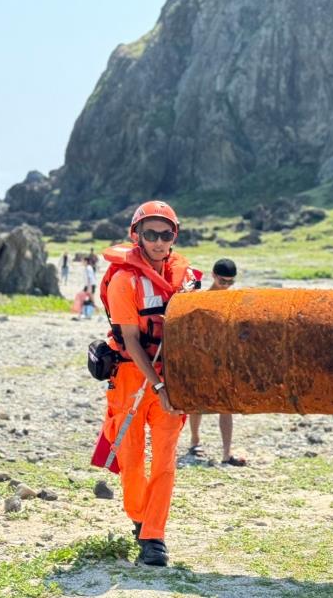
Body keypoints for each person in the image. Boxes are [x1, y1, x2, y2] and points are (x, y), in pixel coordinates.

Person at [100, 200, 200, 567]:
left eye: (166, 234)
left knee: (165, 459)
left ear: (175, 237)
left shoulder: (187, 281)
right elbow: (130, 341)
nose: (158, 242)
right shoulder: (124, 281)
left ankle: (154, 537)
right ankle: (139, 518)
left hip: (171, 380)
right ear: (136, 236)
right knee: (130, 459)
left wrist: (177, 385)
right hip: (131, 378)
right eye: (151, 234)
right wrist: (157, 386)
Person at [187, 258, 247, 466]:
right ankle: (195, 442)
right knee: (197, 402)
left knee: (226, 405)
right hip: (202, 356)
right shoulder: (201, 299)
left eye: (230, 282)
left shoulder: (233, 300)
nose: (226, 285)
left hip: (225, 357)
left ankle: (226, 453)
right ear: (213, 276)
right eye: (223, 281)